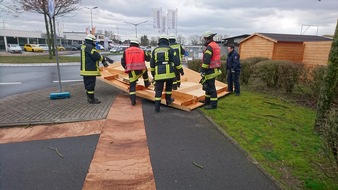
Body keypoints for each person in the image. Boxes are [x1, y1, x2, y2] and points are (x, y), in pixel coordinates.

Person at [150, 34, 184, 112]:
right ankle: (168, 100)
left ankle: (157, 107)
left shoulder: (155, 50)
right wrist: (180, 70)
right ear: (167, 41)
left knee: (158, 91)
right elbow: (176, 61)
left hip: (158, 73)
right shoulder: (170, 49)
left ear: (159, 41)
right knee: (168, 88)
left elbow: (152, 64)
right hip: (169, 73)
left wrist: (153, 74)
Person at [80, 34, 114, 104]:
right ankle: (92, 99)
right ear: (91, 40)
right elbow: (96, 56)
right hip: (90, 70)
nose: (94, 42)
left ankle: (89, 98)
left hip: (85, 69)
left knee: (87, 85)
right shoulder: (90, 47)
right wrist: (105, 58)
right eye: (94, 41)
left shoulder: (84, 46)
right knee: (91, 85)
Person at [121, 38, 151, 106]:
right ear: (138, 44)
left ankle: (133, 100)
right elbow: (149, 59)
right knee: (145, 71)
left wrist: (127, 68)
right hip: (141, 69)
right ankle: (147, 83)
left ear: (130, 44)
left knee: (132, 86)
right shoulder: (142, 51)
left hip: (132, 71)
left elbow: (123, 62)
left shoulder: (126, 51)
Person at [200, 31, 222, 109]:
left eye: (205, 39)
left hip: (210, 69)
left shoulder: (209, 47)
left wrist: (202, 70)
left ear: (207, 39)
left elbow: (207, 60)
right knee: (208, 86)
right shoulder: (215, 45)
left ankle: (213, 105)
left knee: (211, 87)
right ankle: (207, 101)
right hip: (214, 68)